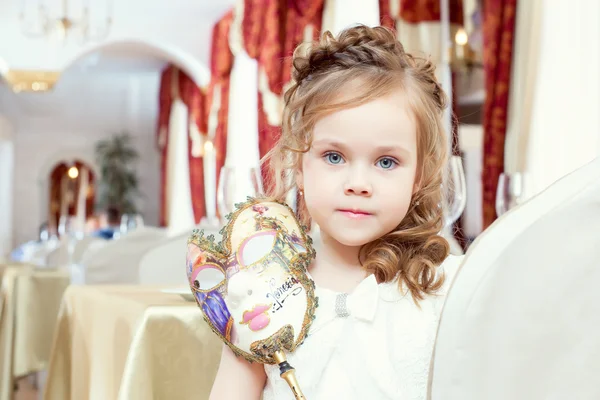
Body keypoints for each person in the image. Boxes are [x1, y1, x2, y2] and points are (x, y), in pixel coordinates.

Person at [209, 25, 462, 400]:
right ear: (298, 163)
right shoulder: (263, 293)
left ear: (418, 176)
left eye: (387, 161)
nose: (358, 182)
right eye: (334, 156)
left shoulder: (446, 287)